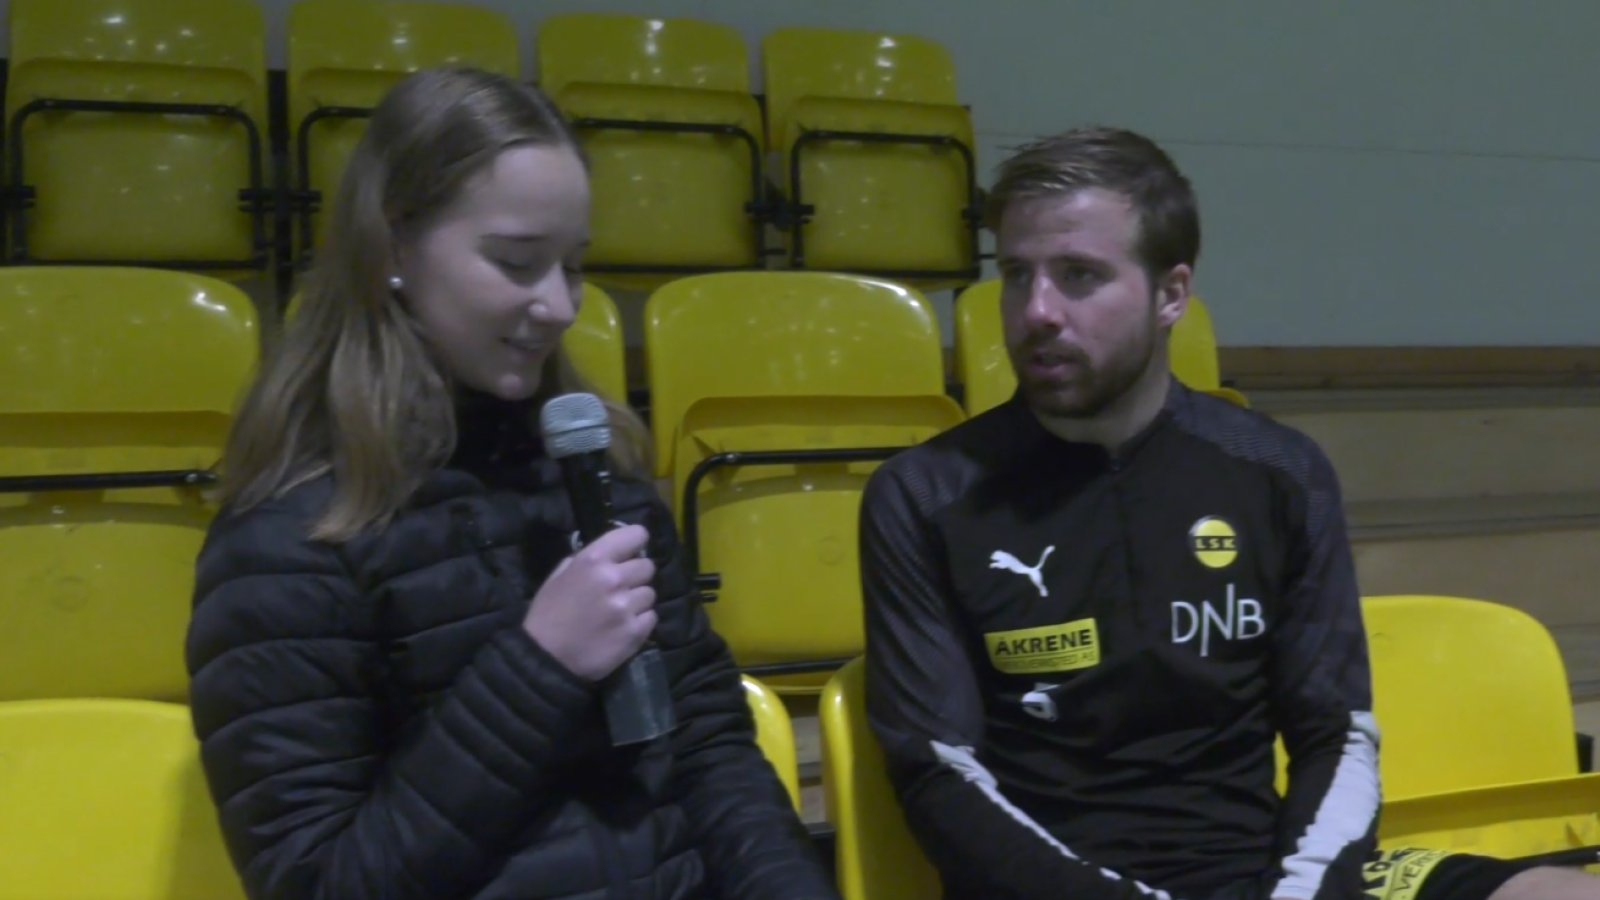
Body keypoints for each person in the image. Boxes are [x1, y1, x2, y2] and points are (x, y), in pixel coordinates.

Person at [859, 126, 1599, 900]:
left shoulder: (1278, 473)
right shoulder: (924, 496)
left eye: (1078, 275)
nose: (1036, 311)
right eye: (1017, 275)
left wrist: (1303, 891)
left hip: (1274, 879)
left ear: (1171, 294)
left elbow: (1336, 734)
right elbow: (935, 775)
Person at [187, 66, 836, 900]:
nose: (561, 306)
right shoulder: (284, 540)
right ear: (392, 249)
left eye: (573, 265)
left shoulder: (600, 481)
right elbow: (319, 882)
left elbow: (709, 748)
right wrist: (541, 666)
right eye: (518, 262)